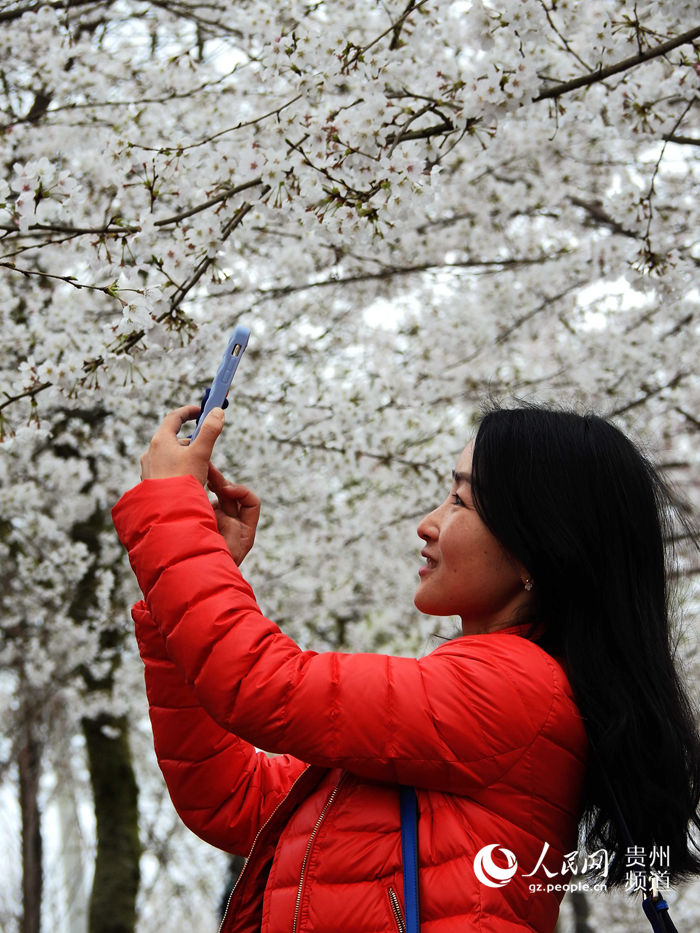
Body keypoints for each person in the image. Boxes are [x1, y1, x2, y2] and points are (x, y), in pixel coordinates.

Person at [112, 402, 700, 933]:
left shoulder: (512, 690)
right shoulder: (466, 699)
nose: (428, 522)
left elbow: (264, 684)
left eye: (460, 501)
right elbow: (236, 799)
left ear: (538, 548)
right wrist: (178, 602)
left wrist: (171, 509)